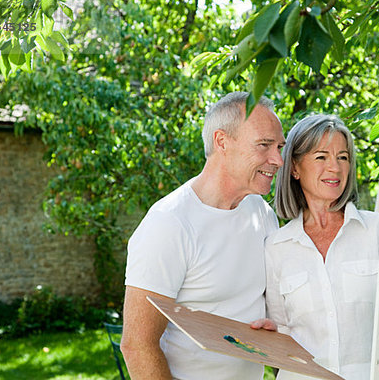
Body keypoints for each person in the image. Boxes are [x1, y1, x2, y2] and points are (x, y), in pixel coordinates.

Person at [120, 91, 285, 380]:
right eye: (264, 145)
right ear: (222, 142)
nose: (278, 160)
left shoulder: (261, 213)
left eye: (279, 147)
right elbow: (137, 345)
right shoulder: (169, 224)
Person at [263, 114, 379, 380]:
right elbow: (282, 336)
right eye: (321, 157)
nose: (335, 168)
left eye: (343, 157)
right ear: (294, 168)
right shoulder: (275, 248)